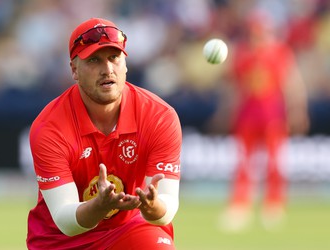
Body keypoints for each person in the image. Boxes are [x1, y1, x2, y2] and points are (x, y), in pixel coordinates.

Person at [26, 18, 182, 249]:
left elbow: (166, 209)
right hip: (60, 241)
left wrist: (152, 206)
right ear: (74, 70)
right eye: (94, 60)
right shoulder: (50, 127)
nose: (107, 69)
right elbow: (65, 219)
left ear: (125, 64)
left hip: (129, 228)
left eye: (114, 58)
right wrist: (99, 205)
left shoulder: (159, 117)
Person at [216, 9, 310, 231]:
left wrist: (297, 110)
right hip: (248, 117)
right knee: (243, 164)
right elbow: (236, 88)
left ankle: (274, 205)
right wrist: (226, 112)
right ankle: (240, 206)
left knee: (275, 163)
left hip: (273, 117)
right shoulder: (242, 54)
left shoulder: (279, 53)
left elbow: (291, 83)